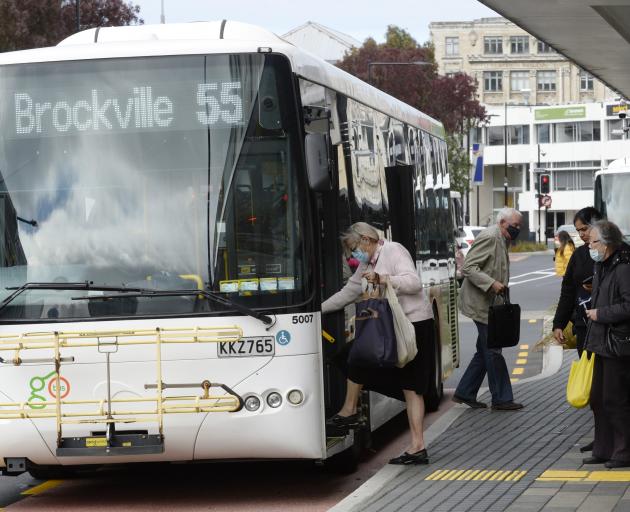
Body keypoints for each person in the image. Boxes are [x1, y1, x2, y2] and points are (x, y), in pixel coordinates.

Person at [322, 222, 435, 465]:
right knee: (353, 357)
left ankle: (417, 447)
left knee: (411, 387)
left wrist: (384, 279)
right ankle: (349, 410)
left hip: (413, 325)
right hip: (389, 327)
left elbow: (414, 283)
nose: (353, 255)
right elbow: (348, 293)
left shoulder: (394, 251)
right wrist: (315, 310)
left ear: (366, 239)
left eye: (354, 248)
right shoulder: (366, 263)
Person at [452, 207, 524, 411]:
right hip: (480, 303)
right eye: (514, 225)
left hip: (489, 304)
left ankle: (465, 392)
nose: (517, 229)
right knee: (493, 349)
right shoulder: (491, 237)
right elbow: (468, 268)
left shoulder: (502, 238)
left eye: (520, 226)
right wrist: (492, 283)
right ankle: (501, 398)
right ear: (502, 223)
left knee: (484, 349)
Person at [582, 220, 630, 469]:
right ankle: (603, 448)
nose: (590, 246)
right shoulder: (602, 266)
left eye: (593, 242)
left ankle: (623, 451)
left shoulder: (622, 268)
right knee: (598, 398)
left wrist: (600, 314)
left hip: (617, 344)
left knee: (615, 398)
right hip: (601, 342)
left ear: (607, 243)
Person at [553, 207, 602, 357]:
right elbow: (568, 291)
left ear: (598, 225)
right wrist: (559, 324)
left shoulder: (616, 252)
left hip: (608, 325)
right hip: (583, 324)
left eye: (585, 229)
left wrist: (598, 287)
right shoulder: (579, 254)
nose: (582, 235)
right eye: (578, 230)